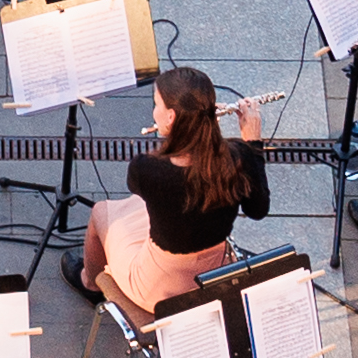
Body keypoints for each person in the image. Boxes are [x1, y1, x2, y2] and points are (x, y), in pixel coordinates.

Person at [87, 64, 271, 317]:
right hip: (214, 275)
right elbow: (258, 210)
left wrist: (182, 135)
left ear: (171, 117)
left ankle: (88, 281)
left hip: (159, 290)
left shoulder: (146, 168)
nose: (154, 112)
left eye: (157, 105)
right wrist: (253, 145)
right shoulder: (238, 157)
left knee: (100, 211)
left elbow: (138, 186)